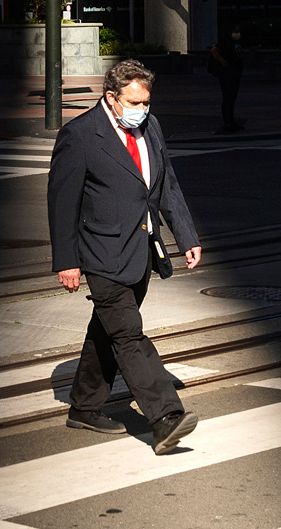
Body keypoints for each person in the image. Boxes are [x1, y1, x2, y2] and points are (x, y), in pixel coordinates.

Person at [48, 59, 203, 454]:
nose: (142, 108)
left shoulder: (150, 126)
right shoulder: (80, 135)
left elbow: (166, 186)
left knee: (109, 330)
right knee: (129, 334)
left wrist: (185, 236)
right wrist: (66, 260)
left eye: (146, 100)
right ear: (111, 98)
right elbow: (62, 203)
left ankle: (84, 406)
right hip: (101, 254)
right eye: (134, 101)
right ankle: (165, 417)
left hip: (140, 251)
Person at [209, 29, 246, 133]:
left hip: (234, 73)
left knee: (231, 98)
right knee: (228, 98)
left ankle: (231, 121)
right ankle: (228, 123)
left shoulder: (236, 43)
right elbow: (214, 50)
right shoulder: (225, 42)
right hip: (227, 74)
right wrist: (223, 62)